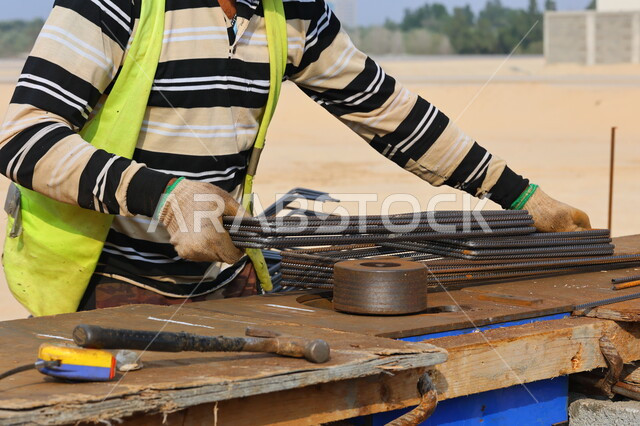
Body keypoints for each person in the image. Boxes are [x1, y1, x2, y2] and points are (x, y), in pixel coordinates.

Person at [0, 0, 591, 312]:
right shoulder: (114, 1)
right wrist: (167, 197)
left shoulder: (295, 12)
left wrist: (521, 197)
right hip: (107, 282)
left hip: (223, 273)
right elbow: (23, 136)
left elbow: (391, 112)